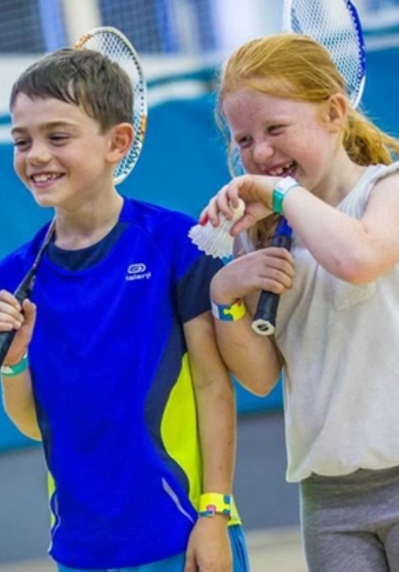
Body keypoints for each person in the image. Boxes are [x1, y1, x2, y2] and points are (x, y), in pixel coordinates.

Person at [0, 48, 249, 572]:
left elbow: (213, 385)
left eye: (57, 137)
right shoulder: (10, 280)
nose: (35, 155)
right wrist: (13, 360)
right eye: (21, 140)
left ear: (117, 142)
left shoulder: (176, 243)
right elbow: (37, 423)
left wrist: (215, 512)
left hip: (185, 533)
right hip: (83, 551)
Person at [201, 33, 399, 572]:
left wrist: (284, 195)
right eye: (243, 139)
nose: (259, 153)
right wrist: (226, 297)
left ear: (334, 112)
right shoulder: (261, 231)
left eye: (275, 129)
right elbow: (262, 376)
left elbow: (360, 258)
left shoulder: (387, 190)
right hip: (329, 497)